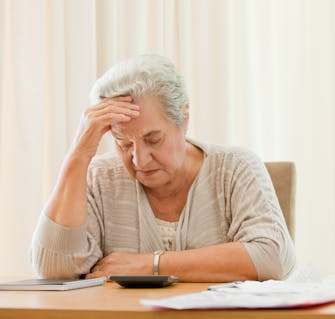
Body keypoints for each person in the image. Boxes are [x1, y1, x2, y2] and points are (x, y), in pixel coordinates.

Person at [31, 54, 296, 282]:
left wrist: (150, 265)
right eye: (123, 144)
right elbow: (54, 268)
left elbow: (271, 257)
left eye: (153, 140)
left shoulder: (235, 168)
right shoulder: (99, 177)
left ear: (184, 118)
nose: (139, 160)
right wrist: (79, 154)